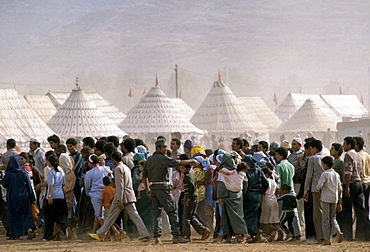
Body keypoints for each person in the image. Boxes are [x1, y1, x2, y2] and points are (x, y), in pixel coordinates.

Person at [143, 139, 199, 245]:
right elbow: (178, 163)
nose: (165, 149)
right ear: (158, 148)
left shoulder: (149, 159)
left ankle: (157, 237)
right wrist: (191, 161)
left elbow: (144, 176)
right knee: (173, 210)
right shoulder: (163, 158)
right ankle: (176, 235)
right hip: (162, 188)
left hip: (153, 188)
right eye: (163, 147)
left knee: (156, 213)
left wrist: (147, 189)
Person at [91, 151, 150, 242]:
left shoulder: (118, 168)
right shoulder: (125, 167)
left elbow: (119, 185)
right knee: (134, 216)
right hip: (128, 194)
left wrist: (120, 199)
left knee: (110, 216)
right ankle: (144, 234)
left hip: (121, 195)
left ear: (113, 159)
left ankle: (100, 233)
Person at [341, 136, 370, 240]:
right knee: (361, 210)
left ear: (349, 145)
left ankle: (348, 236)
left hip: (352, 184)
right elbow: (361, 172)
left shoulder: (349, 155)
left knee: (347, 211)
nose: (343, 146)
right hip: (359, 183)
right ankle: (368, 233)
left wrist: (347, 187)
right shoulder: (358, 156)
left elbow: (348, 172)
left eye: (344, 144)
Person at [216, 154, 249, 243]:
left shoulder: (223, 172)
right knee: (238, 216)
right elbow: (245, 183)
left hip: (226, 197)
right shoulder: (238, 171)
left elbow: (220, 186)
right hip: (238, 197)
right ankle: (238, 235)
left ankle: (229, 237)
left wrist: (220, 197)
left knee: (226, 218)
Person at [2, 155, 36, 240]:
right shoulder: (23, 172)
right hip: (24, 197)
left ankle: (15, 234)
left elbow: (4, 184)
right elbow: (29, 186)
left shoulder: (9, 174)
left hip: (12, 197)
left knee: (14, 215)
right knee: (25, 214)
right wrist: (32, 197)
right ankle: (29, 229)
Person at [43, 155, 72, 241]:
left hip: (53, 195)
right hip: (61, 195)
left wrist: (49, 196)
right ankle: (66, 225)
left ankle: (48, 235)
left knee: (49, 217)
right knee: (60, 215)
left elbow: (50, 185)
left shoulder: (51, 171)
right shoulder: (61, 171)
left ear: (50, 162)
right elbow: (63, 184)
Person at [180, 162, 210, 241]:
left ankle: (186, 236)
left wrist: (188, 198)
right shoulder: (190, 175)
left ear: (188, 169)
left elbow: (192, 188)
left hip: (192, 198)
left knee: (186, 217)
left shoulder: (187, 176)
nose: (181, 169)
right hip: (194, 197)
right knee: (191, 216)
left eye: (183, 168)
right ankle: (203, 230)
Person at [317, 156, 343, 245]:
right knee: (333, 217)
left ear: (325, 164)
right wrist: (340, 202)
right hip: (334, 198)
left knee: (325, 219)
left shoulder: (325, 174)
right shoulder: (336, 174)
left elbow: (319, 185)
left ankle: (328, 239)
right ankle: (338, 230)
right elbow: (340, 188)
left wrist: (319, 190)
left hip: (325, 198)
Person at [243, 155, 269, 242]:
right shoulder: (259, 171)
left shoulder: (245, 172)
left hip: (247, 195)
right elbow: (266, 183)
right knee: (255, 215)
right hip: (257, 196)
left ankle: (250, 233)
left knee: (247, 215)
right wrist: (261, 191)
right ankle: (255, 233)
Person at [303, 139, 325, 241]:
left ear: (315, 148)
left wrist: (305, 191)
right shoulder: (326, 157)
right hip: (326, 188)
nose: (310, 150)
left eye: (311, 148)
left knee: (317, 213)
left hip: (315, 188)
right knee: (326, 212)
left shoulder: (312, 159)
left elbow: (309, 176)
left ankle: (320, 236)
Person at [84, 154, 111, 234]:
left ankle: (107, 233)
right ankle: (94, 232)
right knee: (99, 214)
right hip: (106, 194)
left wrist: (89, 193)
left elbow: (87, 185)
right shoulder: (105, 169)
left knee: (100, 215)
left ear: (90, 163)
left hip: (96, 195)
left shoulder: (89, 173)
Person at [260, 167, 283, 242]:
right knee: (274, 219)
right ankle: (280, 231)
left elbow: (263, 191)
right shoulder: (273, 181)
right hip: (274, 199)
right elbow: (278, 191)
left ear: (265, 174)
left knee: (266, 220)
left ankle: (269, 235)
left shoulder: (265, 181)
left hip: (266, 200)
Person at [66, 138, 83, 217]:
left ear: (75, 146)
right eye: (68, 146)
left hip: (77, 180)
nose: (69, 148)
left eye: (70, 146)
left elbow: (77, 168)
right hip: (70, 181)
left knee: (78, 200)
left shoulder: (79, 155)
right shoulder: (68, 156)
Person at [99, 176, 118, 241]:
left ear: (103, 183)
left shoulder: (103, 190)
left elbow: (102, 201)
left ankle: (105, 236)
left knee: (107, 223)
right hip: (113, 207)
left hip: (107, 207)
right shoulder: (114, 190)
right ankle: (110, 236)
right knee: (109, 222)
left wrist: (100, 210)